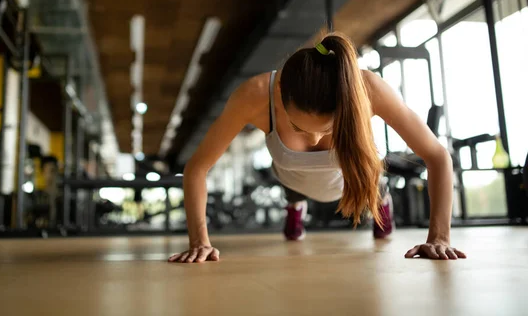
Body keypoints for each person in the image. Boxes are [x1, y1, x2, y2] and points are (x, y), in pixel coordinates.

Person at [169, 32, 466, 263]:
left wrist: (439, 237)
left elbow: (437, 156)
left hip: (357, 178)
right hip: (292, 178)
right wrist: (200, 242)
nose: (312, 140)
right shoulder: (255, 95)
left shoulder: (369, 90)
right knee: (292, 182)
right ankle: (295, 204)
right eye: (298, 128)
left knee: (375, 194)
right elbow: (197, 167)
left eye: (327, 129)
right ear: (280, 92)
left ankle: (379, 197)